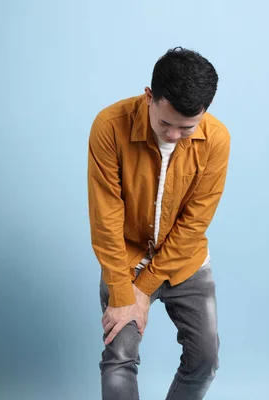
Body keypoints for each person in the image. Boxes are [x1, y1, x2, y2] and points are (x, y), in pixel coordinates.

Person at [87, 46, 230, 400]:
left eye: (187, 128)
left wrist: (145, 286)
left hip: (186, 260)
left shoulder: (217, 141)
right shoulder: (109, 126)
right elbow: (105, 216)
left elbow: (194, 223)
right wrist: (125, 292)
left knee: (206, 358)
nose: (173, 136)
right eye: (165, 123)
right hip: (125, 258)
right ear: (150, 96)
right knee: (119, 357)